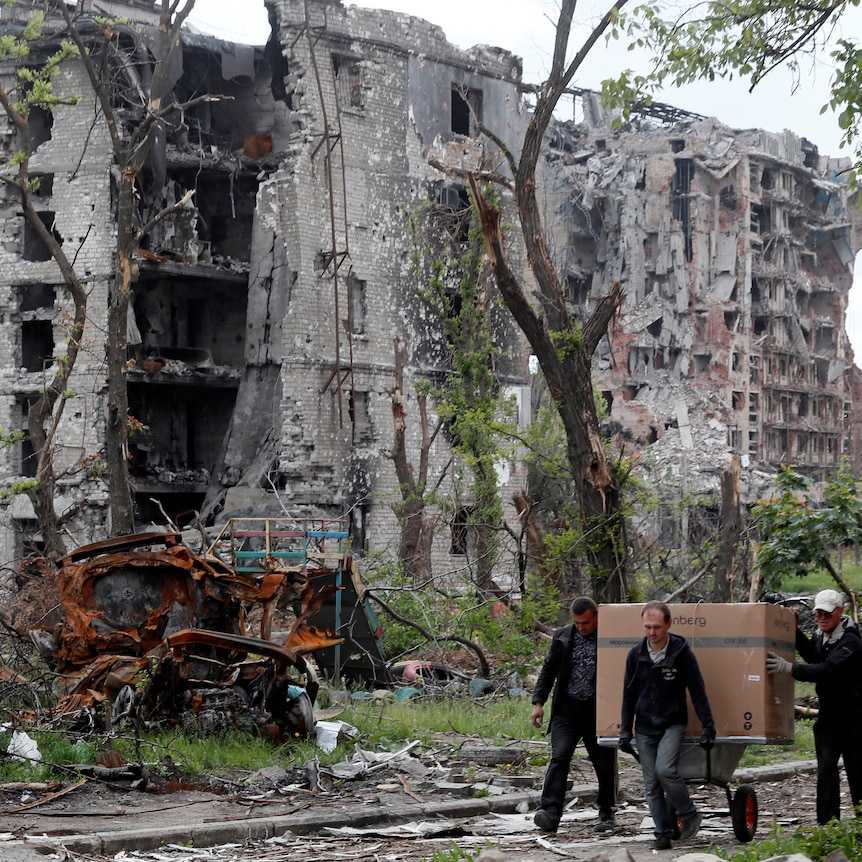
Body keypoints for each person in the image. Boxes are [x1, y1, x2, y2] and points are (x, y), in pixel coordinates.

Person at [619, 600, 715, 850]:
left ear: (669, 624)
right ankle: (663, 832)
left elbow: (698, 691)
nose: (652, 632)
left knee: (665, 770)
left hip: (672, 723)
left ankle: (688, 812)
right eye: (647, 627)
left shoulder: (681, 653)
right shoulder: (636, 655)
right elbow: (628, 695)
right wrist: (624, 730)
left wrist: (708, 727)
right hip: (644, 728)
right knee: (650, 783)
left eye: (657, 627)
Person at [766, 588, 862, 824]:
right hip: (829, 719)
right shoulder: (822, 635)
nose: (822, 617)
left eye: (827, 613)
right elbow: (813, 656)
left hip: (854, 721)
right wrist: (797, 632)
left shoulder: (850, 641)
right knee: (825, 774)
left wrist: (788, 668)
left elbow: (827, 670)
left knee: (858, 776)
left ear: (840, 612)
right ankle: (828, 829)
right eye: (818, 613)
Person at [530, 596, 617, 834]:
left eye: (586, 623)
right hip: (567, 709)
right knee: (559, 756)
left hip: (597, 711)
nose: (581, 627)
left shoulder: (610, 638)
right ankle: (549, 812)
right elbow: (549, 669)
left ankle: (607, 812)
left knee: (604, 763)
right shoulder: (564, 636)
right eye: (577, 623)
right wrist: (538, 702)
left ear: (596, 617)